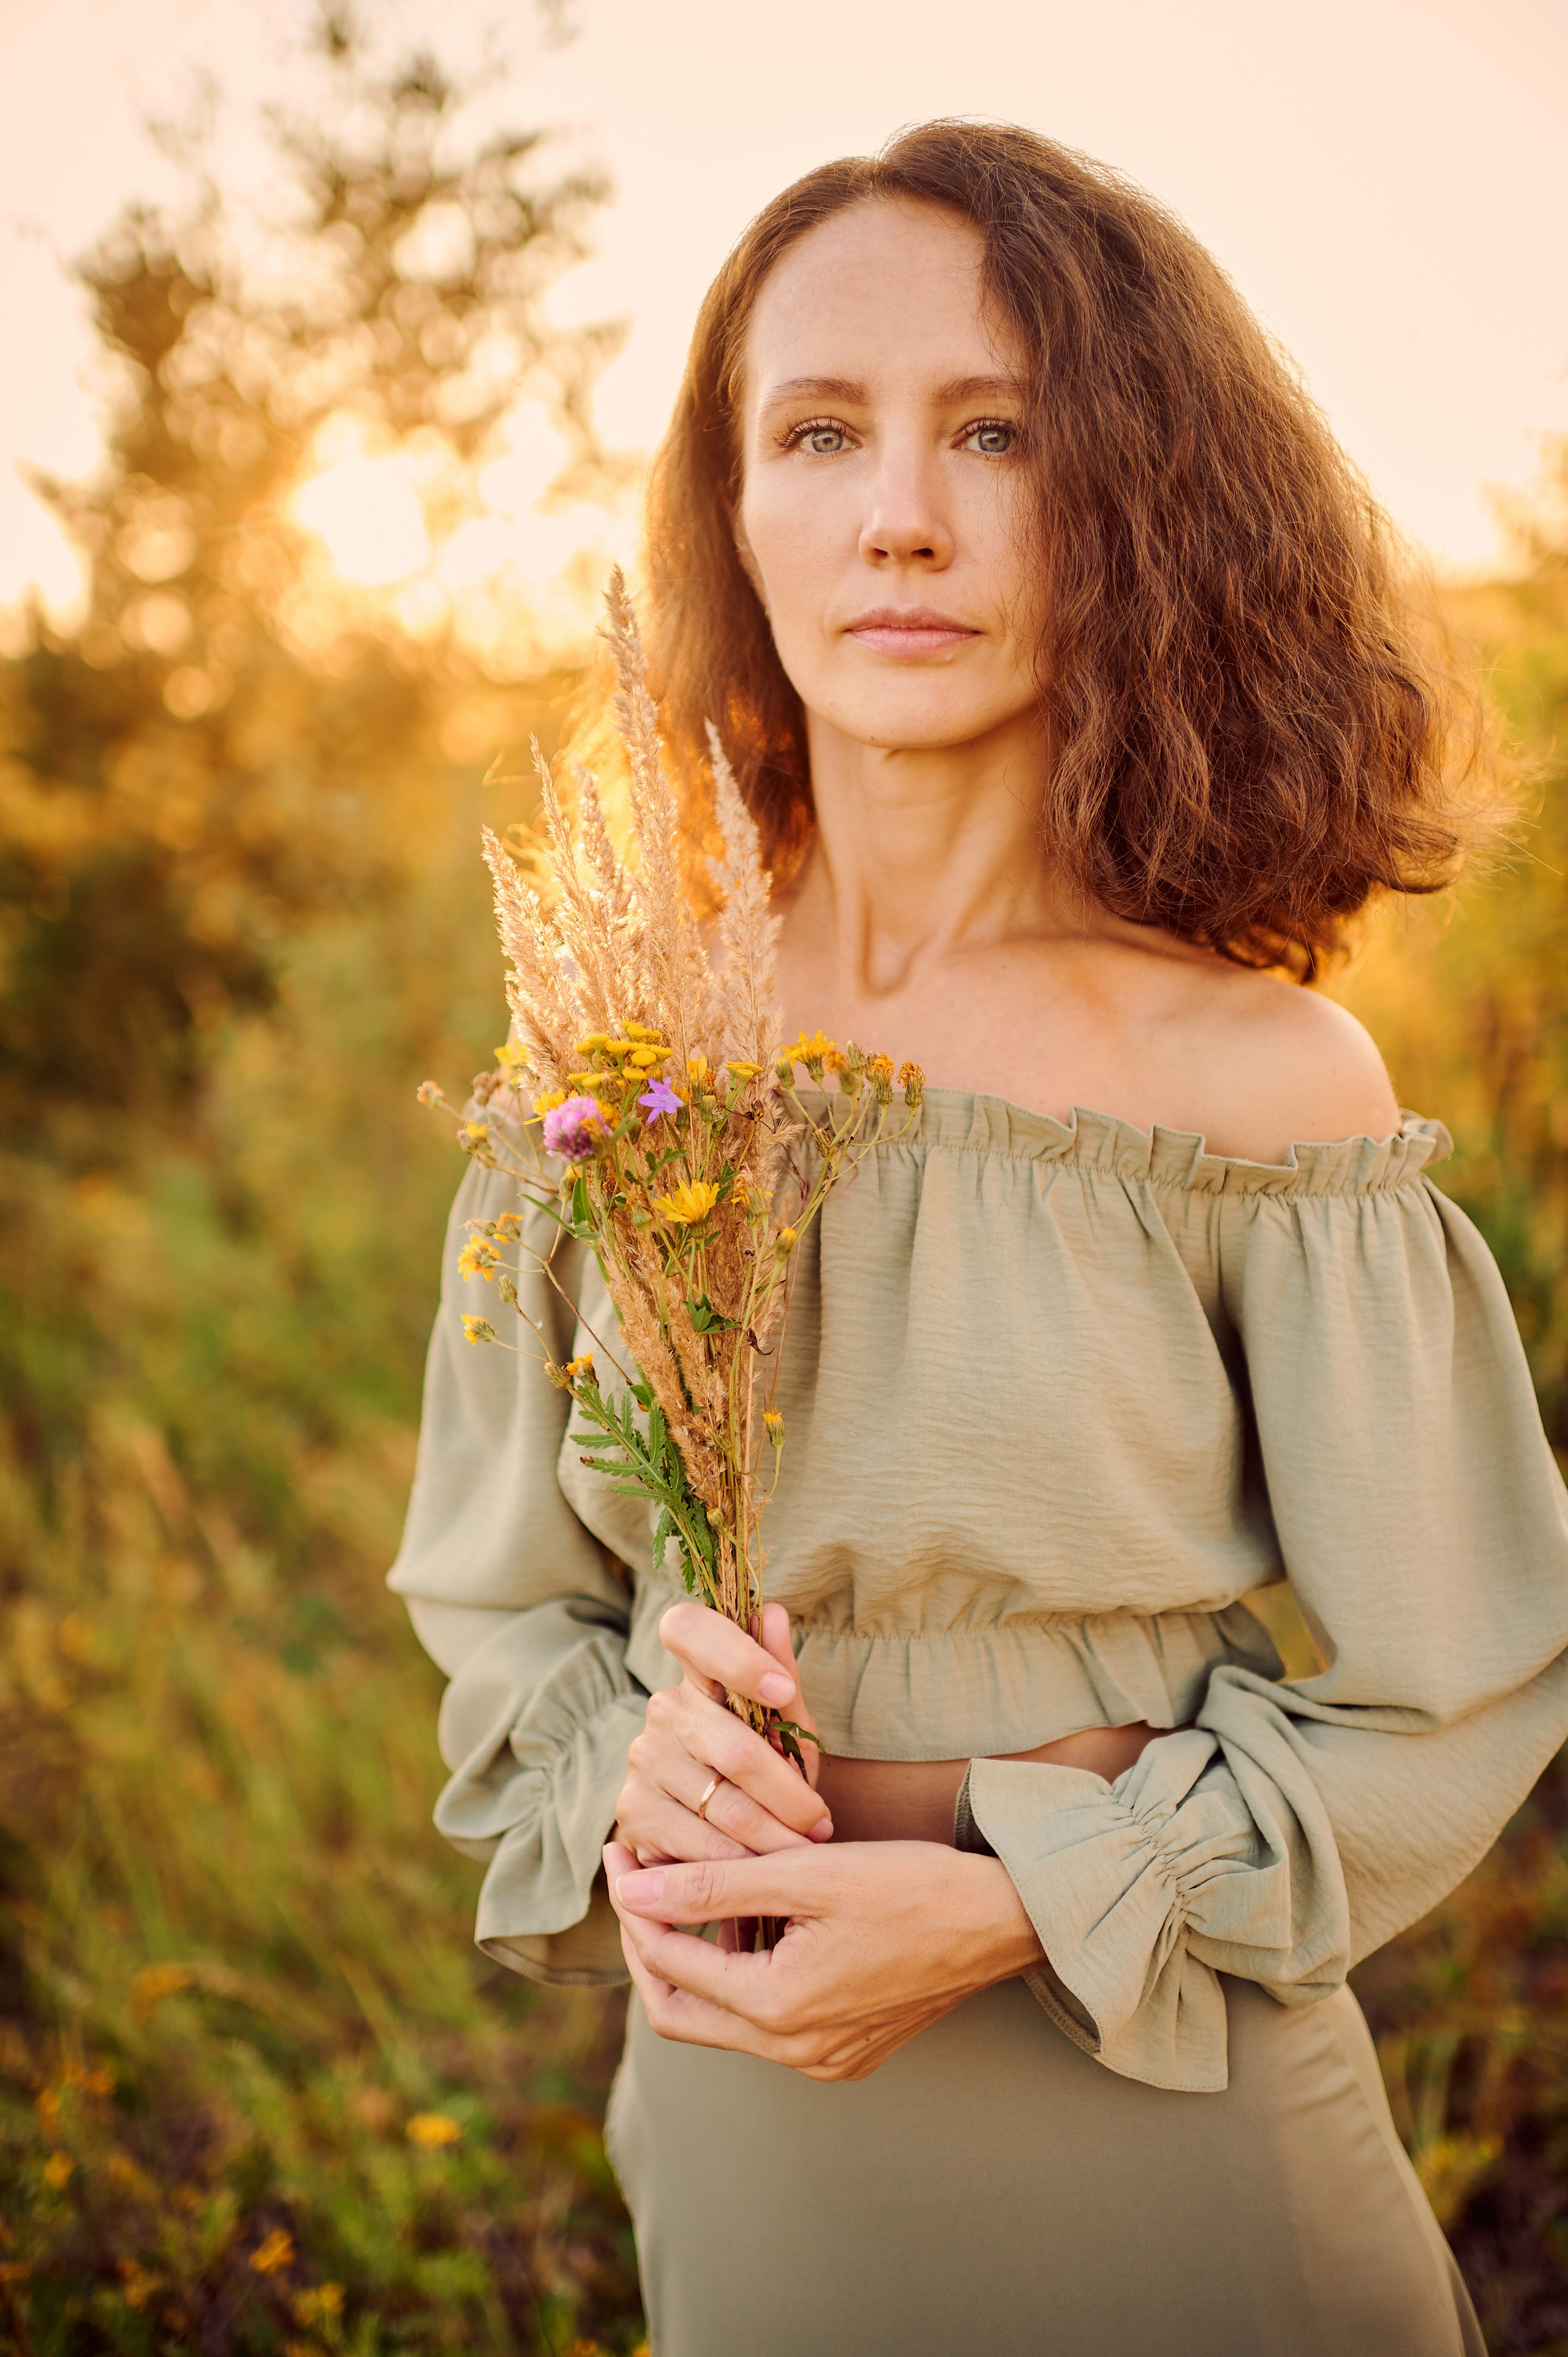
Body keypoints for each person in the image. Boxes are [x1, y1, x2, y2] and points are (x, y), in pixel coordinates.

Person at [389, 122, 1568, 2356]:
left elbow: (1460, 1686)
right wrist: (626, 1770)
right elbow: (504, 1606)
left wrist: (1025, 1899)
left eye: (997, 430)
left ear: (1127, 491)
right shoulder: (611, 1062)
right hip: (750, 2117)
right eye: (818, 431)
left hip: (1166, 2108)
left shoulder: (1256, 1085)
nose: (902, 512)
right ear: (736, 513)